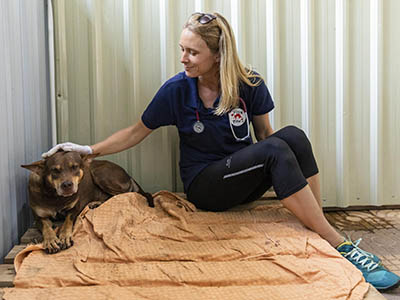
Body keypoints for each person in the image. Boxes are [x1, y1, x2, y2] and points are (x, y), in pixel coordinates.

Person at [43, 12, 399, 291]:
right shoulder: (176, 91)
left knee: (293, 136)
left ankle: (318, 227)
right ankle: (339, 244)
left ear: (217, 56)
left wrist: (280, 164)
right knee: (276, 148)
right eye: (182, 49)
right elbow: (136, 132)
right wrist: (87, 149)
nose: (183, 58)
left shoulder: (250, 83)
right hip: (206, 185)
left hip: (241, 176)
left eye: (192, 52)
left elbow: (267, 136)